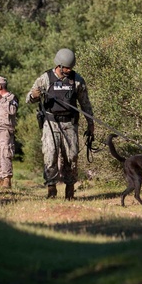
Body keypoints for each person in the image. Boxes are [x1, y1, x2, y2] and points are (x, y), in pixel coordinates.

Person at [26, 48, 94, 200]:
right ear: (59, 65)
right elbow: (28, 98)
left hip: (70, 124)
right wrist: (34, 95)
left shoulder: (77, 80)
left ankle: (70, 192)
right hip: (51, 124)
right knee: (50, 156)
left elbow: (85, 104)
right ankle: (51, 189)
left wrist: (91, 123)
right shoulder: (45, 78)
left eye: (71, 68)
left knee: (72, 157)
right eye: (66, 68)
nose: (69, 70)